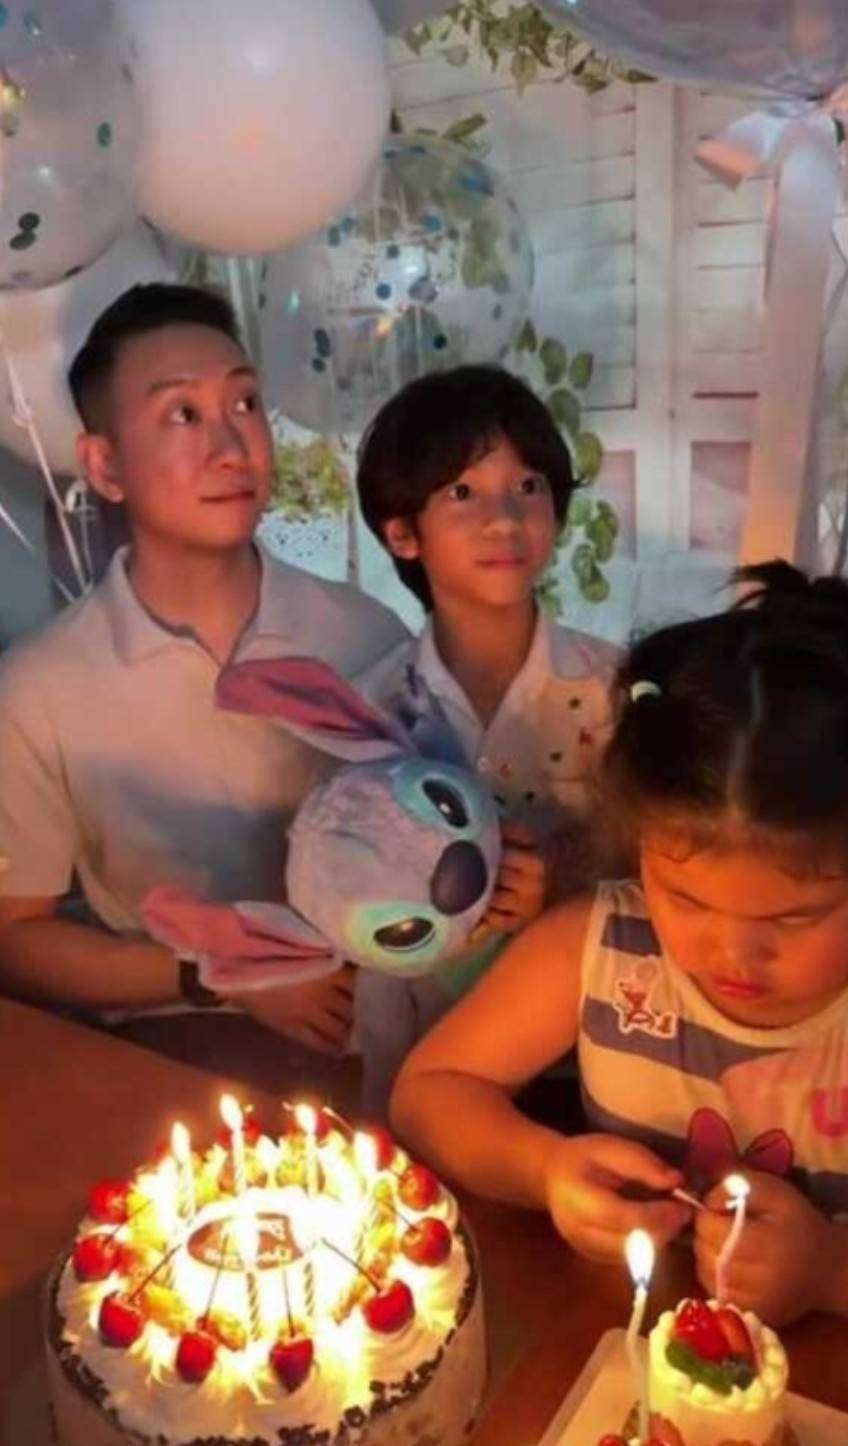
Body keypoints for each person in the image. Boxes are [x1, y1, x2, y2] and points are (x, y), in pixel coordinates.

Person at [392, 562, 848, 1325]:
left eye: (794, 919)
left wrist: (829, 1271)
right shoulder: (601, 948)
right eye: (687, 899)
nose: (734, 953)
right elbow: (429, 1093)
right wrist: (545, 1169)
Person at [0, 282, 406, 1059]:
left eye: (245, 404)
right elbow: (16, 938)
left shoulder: (366, 635)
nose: (231, 445)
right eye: (182, 414)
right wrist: (219, 975)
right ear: (105, 465)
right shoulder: (40, 687)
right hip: (176, 1051)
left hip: (375, 1043)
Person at [353, 364, 619, 1108]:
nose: (504, 519)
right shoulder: (370, 710)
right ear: (402, 533)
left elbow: (661, 867)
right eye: (462, 493)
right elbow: (341, 874)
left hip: (589, 1060)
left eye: (528, 486)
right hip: (413, 1048)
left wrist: (558, 884)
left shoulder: (615, 692)